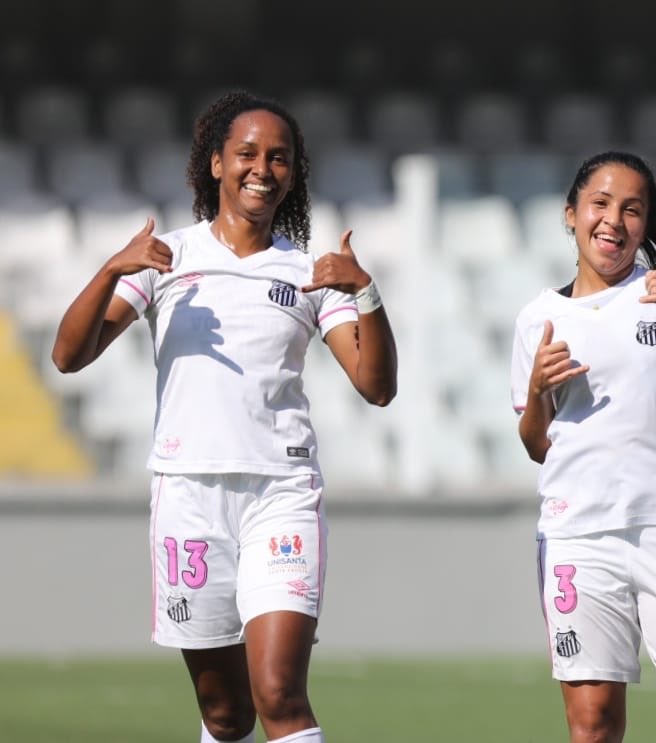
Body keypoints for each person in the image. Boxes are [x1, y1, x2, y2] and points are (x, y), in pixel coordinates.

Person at [52, 91, 398, 743]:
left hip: (281, 496)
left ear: (293, 173)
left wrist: (366, 291)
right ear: (215, 164)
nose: (262, 168)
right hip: (188, 496)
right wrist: (110, 268)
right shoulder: (167, 258)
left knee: (279, 695)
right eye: (246, 154)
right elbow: (69, 355)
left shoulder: (308, 273)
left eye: (279, 157)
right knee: (226, 713)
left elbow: (377, 386)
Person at [510, 151, 656, 743]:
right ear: (571, 214)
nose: (614, 220)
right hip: (579, 536)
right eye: (601, 204)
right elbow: (537, 444)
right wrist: (537, 390)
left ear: (646, 223)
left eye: (632, 209)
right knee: (593, 727)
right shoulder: (538, 316)